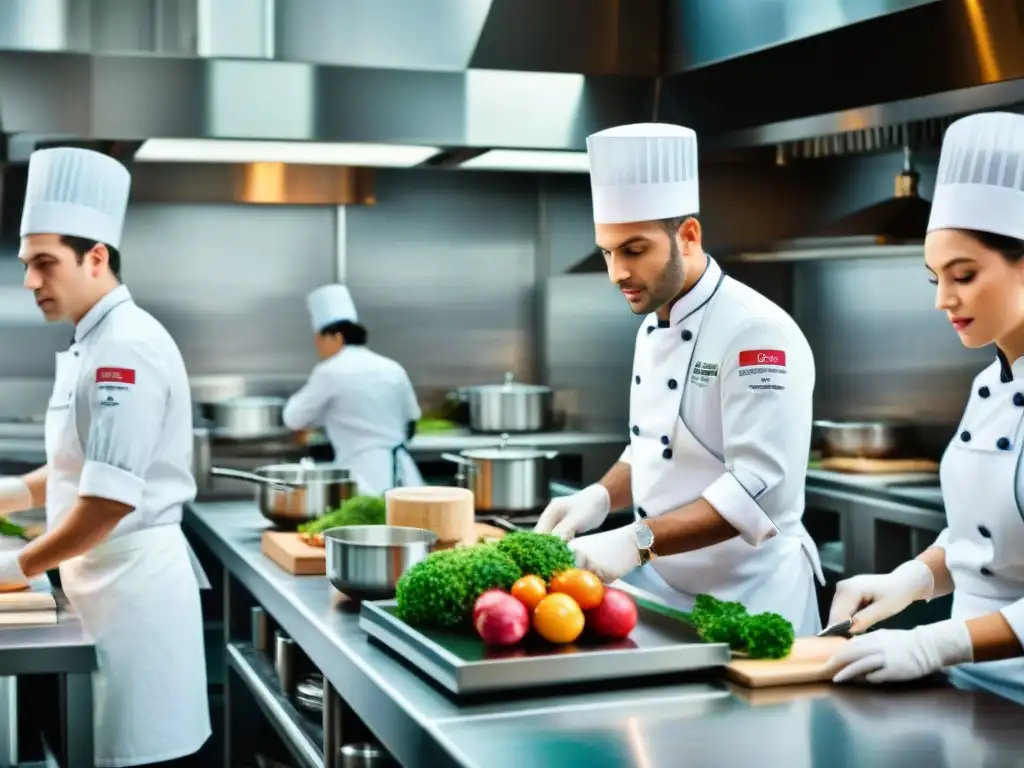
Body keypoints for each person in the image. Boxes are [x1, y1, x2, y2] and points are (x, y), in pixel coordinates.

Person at [534, 123, 824, 635]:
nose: (616, 272)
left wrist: (634, 541)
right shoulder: (654, 322)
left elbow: (752, 488)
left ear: (688, 236)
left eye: (634, 249)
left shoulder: (755, 332)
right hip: (663, 590)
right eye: (607, 252)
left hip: (752, 597)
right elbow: (656, 445)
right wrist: (599, 498)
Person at [0, 147, 210, 765]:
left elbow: (108, 501)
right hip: (99, 583)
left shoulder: (125, 349)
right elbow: (81, 467)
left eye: (45, 263)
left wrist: (16, 566)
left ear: (96, 258)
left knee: (141, 751)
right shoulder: (92, 341)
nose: (31, 281)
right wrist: (10, 493)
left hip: (134, 594)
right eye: (26, 264)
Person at [824, 112, 1024, 704]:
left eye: (963, 274)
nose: (943, 299)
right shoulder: (991, 380)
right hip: (973, 691)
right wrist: (911, 581)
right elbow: (982, 541)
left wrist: (936, 644)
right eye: (934, 276)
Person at [283, 284, 424, 494]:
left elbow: (293, 418)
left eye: (319, 340)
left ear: (335, 337)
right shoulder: (391, 367)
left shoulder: (330, 371)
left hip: (363, 475)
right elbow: (411, 419)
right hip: (404, 475)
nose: (318, 347)